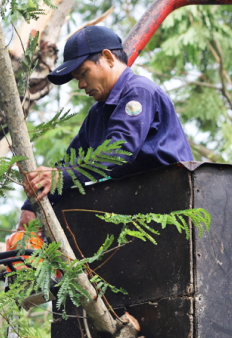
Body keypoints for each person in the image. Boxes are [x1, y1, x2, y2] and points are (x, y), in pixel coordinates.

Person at [17, 26, 193, 231]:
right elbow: (71, 162)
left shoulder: (138, 91)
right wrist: (31, 206)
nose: (81, 85)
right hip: (134, 210)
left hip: (173, 205)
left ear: (108, 57)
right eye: (77, 79)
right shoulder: (98, 113)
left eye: (83, 73)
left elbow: (118, 152)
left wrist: (59, 177)